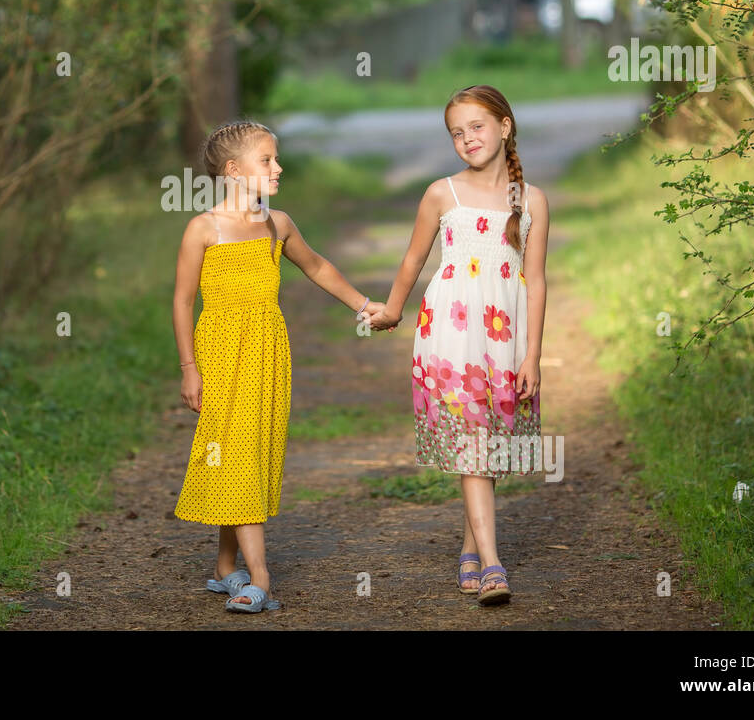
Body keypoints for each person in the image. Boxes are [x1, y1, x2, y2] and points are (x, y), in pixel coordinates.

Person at [172, 120, 385, 613]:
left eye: (276, 158)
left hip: (268, 354)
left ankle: (228, 567)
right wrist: (189, 368)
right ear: (233, 170)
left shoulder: (277, 223)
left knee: (247, 455)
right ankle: (261, 578)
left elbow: (316, 266)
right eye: (266, 160)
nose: (278, 167)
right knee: (237, 456)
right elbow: (183, 302)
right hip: (223, 356)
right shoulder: (203, 229)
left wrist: (364, 305)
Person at [368, 86, 549, 606]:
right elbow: (412, 260)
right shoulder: (441, 193)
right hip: (450, 336)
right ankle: (492, 562)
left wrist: (532, 353)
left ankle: (471, 548)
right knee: (473, 446)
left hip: (506, 339)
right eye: (456, 132)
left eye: (477, 126)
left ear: (505, 127)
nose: (467, 139)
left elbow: (535, 283)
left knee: (491, 443)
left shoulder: (531, 200)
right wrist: (394, 308)